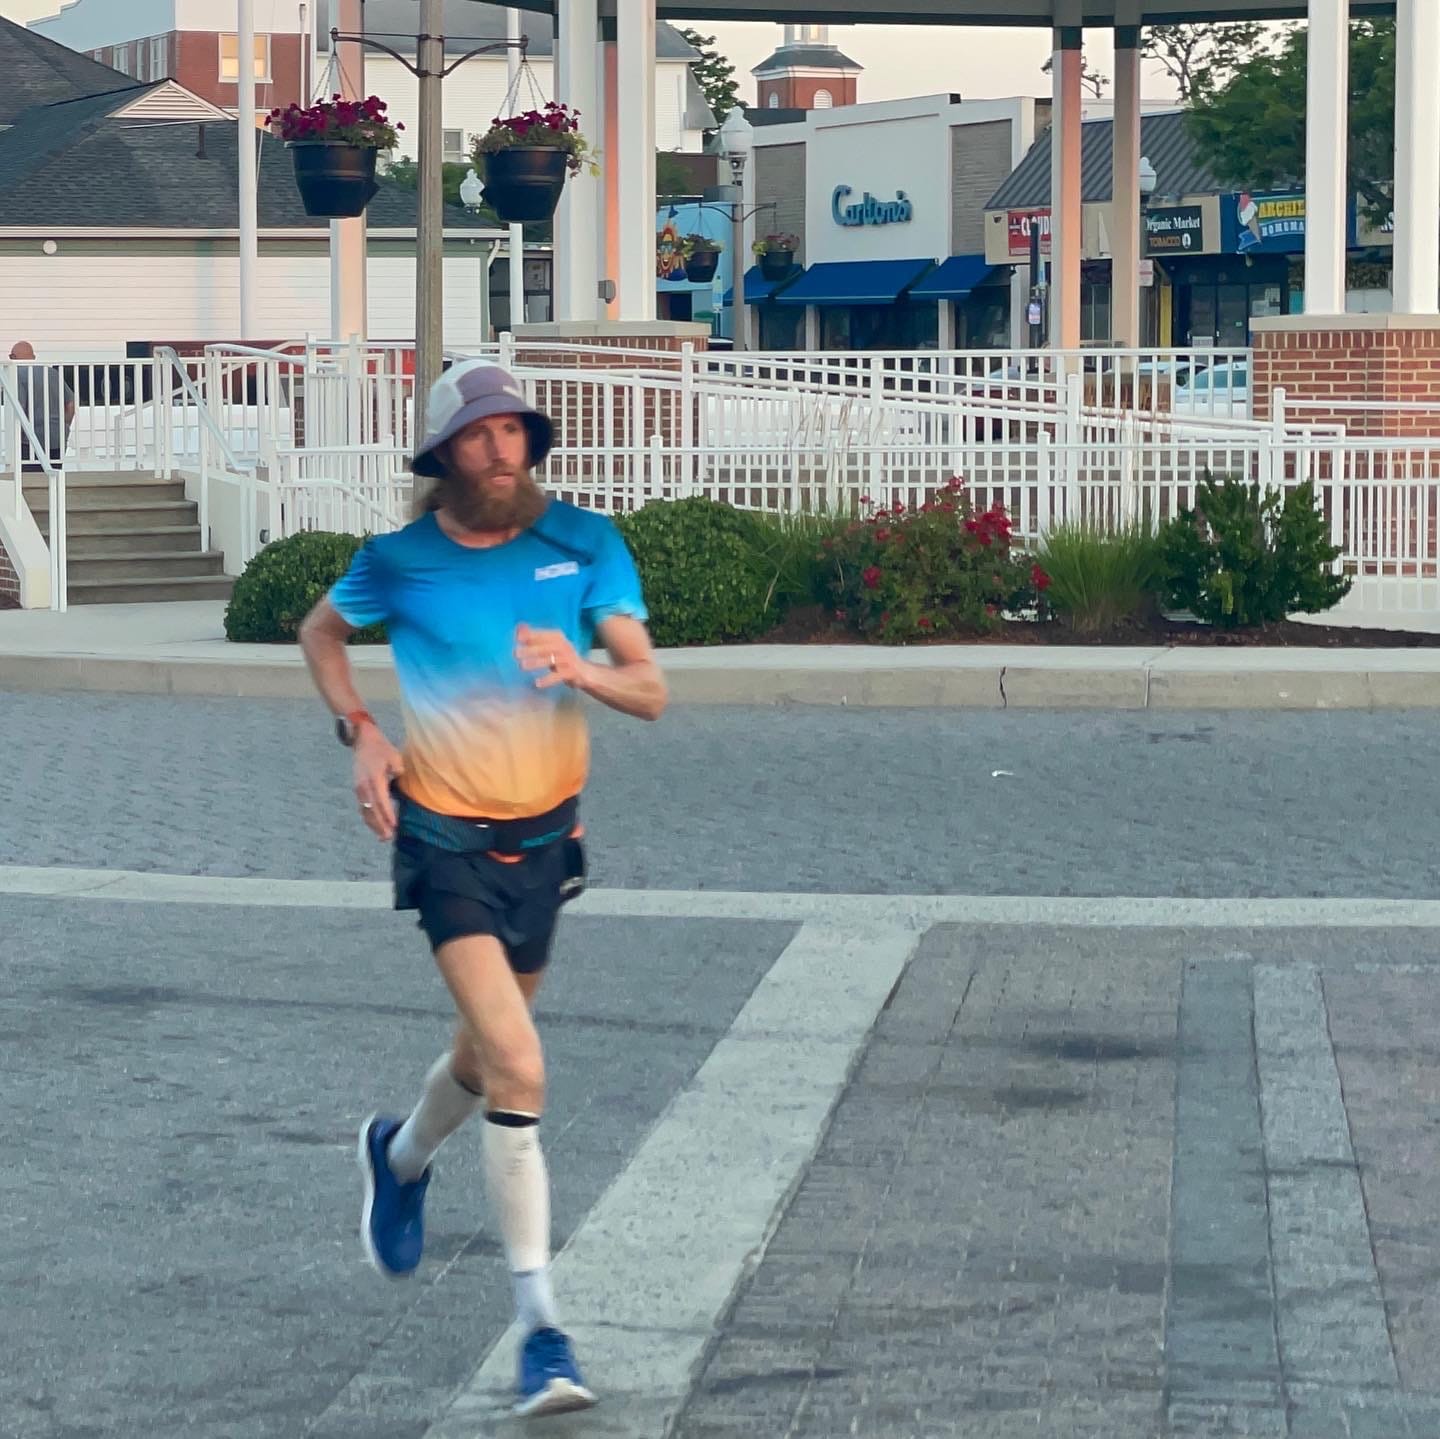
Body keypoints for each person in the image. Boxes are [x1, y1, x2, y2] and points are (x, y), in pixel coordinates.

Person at [298, 359, 666, 1418]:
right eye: (479, 433)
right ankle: (542, 1329)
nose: (503, 448)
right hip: (443, 839)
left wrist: (583, 667)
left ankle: (401, 1154)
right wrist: (363, 730)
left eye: (515, 431)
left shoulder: (585, 543)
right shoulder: (397, 562)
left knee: (482, 1055)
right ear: (444, 455)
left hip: (545, 844)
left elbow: (649, 688)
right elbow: (321, 632)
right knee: (520, 1061)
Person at [9, 342, 75, 473]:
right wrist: (64, 425)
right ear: (33, 357)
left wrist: (18, 436)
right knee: (54, 477)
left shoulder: (18, 375)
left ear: (13, 357)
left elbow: (19, 408)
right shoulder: (52, 373)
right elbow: (71, 404)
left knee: (31, 480)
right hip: (57, 437)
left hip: (32, 440)